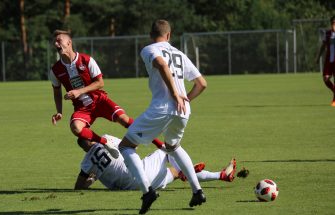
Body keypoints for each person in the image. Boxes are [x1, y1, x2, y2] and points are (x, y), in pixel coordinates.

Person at [117, 20, 208, 214]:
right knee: (173, 147)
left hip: (162, 108)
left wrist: (175, 94)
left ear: (151, 35)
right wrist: (186, 100)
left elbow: (161, 64)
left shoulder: (149, 49)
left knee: (125, 146)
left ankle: (147, 192)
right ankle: (197, 191)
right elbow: (202, 83)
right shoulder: (180, 54)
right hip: (183, 111)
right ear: (169, 35)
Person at [48, 30, 164, 158]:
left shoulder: (86, 60)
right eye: (55, 42)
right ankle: (106, 143)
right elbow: (56, 91)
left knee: (124, 119)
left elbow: (100, 83)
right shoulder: (55, 70)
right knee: (76, 128)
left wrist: (79, 91)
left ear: (69, 42)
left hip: (100, 101)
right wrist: (59, 111)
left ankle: (160, 145)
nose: (56, 44)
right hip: (82, 108)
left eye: (59, 40)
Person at [74, 135, 236, 191]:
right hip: (139, 173)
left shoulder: (87, 163)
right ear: (91, 137)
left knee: (174, 173)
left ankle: (222, 175)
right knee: (168, 149)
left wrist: (93, 179)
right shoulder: (106, 138)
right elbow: (131, 147)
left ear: (83, 149)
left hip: (132, 187)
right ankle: (186, 170)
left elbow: (78, 187)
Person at [316, 15, 335, 107]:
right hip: (329, 59)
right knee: (326, 78)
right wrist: (318, 57)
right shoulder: (327, 33)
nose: (333, 25)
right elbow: (323, 46)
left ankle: (334, 100)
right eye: (332, 23)